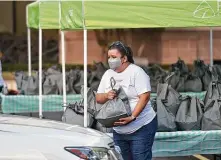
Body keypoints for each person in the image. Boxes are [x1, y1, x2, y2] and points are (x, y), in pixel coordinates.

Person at [96, 41, 157, 160]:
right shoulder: (108, 74)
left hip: (141, 127)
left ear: (124, 58)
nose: (110, 60)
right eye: (109, 57)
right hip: (118, 131)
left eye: (114, 57)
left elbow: (145, 97)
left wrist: (132, 117)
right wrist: (107, 95)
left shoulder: (136, 72)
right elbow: (98, 98)